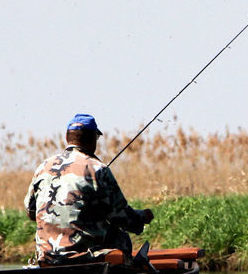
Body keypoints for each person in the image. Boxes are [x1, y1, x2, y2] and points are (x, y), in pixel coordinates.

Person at [24, 113, 154, 265]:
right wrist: (141, 218)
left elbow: (31, 211)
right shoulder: (98, 169)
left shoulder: (43, 167)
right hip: (85, 256)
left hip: (47, 256)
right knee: (120, 236)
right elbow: (120, 216)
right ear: (93, 139)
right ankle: (128, 272)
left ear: (67, 138)